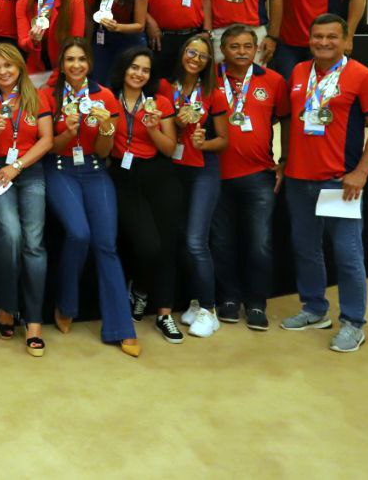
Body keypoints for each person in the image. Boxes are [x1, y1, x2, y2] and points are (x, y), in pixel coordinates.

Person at [280, 14, 368, 352]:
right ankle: (314, 309)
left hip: (337, 182)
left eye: (331, 37)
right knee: (306, 248)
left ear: (345, 40)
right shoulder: (299, 72)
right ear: (309, 39)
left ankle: (353, 322)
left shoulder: (363, 76)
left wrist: (361, 172)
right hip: (299, 180)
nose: (323, 42)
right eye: (317, 36)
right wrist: (284, 161)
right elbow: (289, 121)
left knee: (346, 253)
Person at [42, 37, 141, 357]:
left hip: (96, 170)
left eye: (81, 59)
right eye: (69, 59)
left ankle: (121, 328)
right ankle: (66, 303)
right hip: (59, 168)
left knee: (106, 244)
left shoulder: (105, 96)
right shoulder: (48, 94)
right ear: (61, 64)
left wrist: (106, 131)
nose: (75, 65)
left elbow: (103, 151)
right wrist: (68, 133)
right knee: (79, 233)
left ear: (90, 63)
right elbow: (48, 147)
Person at [0, 44, 54, 356]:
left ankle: (33, 320)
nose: (3, 72)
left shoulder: (37, 96)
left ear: (18, 66)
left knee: (34, 242)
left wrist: (17, 166)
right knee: (11, 234)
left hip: (29, 171)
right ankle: (6, 306)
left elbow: (46, 139)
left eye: (8, 65)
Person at [213, 25, 289, 331]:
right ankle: (229, 298)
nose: (242, 51)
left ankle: (257, 301)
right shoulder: (211, 78)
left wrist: (285, 161)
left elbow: (287, 120)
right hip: (215, 175)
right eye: (234, 46)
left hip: (259, 174)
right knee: (221, 242)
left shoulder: (273, 81)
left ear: (257, 48)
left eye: (248, 46)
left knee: (260, 243)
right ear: (224, 50)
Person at [107, 46, 183, 344]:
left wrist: (152, 129)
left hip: (158, 176)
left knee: (165, 246)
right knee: (147, 245)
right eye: (134, 67)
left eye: (145, 70)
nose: (139, 74)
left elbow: (168, 148)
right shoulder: (107, 99)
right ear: (124, 68)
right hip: (122, 177)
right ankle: (138, 290)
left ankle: (159, 309)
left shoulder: (159, 102)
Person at [157, 32, 229, 339]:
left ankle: (209, 310)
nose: (195, 58)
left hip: (202, 170)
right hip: (172, 169)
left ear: (208, 62)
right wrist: (178, 124)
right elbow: (160, 124)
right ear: (182, 53)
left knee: (196, 240)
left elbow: (224, 140)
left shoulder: (215, 92)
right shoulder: (163, 86)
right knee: (179, 239)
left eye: (201, 55)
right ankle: (195, 301)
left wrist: (204, 142)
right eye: (191, 51)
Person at [15, 0, 84, 85]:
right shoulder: (23, 1)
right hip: (34, 69)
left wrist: (52, 80)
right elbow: (23, 42)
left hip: (66, 70)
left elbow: (75, 47)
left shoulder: (76, 2)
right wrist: (33, 40)